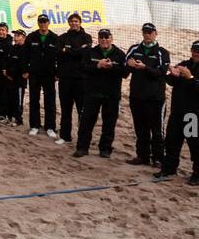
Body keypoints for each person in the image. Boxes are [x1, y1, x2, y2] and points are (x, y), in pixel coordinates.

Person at [158, 40, 199, 185]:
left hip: (194, 116)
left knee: (196, 145)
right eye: (194, 50)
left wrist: (190, 77)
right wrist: (172, 74)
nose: (196, 54)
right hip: (178, 112)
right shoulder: (185, 63)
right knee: (171, 142)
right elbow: (172, 82)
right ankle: (169, 169)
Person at [74, 29, 127, 158]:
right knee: (86, 122)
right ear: (98, 39)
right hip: (92, 93)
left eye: (106, 37)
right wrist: (97, 66)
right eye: (101, 37)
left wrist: (112, 67)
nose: (104, 40)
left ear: (111, 38)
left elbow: (125, 73)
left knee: (109, 123)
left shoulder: (119, 54)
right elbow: (83, 68)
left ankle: (105, 149)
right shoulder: (90, 52)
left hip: (111, 95)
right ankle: (82, 148)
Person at [124, 21, 169, 168]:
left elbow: (161, 73)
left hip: (155, 98)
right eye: (145, 32)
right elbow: (125, 63)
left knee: (157, 130)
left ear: (156, 34)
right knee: (140, 128)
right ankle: (142, 155)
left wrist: (145, 67)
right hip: (137, 96)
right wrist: (128, 64)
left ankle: (158, 158)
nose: (147, 35)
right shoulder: (135, 48)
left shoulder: (162, 52)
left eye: (150, 32)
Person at [55, 13, 93, 146]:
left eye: (76, 21)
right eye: (71, 21)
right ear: (68, 23)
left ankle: (83, 138)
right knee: (65, 109)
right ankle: (65, 136)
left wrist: (69, 51)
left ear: (80, 22)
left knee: (81, 110)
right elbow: (59, 54)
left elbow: (85, 53)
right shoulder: (62, 37)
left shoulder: (87, 37)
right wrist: (77, 51)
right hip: (65, 78)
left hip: (81, 79)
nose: (73, 23)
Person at [23, 15, 59, 137]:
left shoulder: (55, 38)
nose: (43, 24)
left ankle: (50, 127)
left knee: (50, 101)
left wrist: (57, 73)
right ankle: (34, 126)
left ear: (48, 23)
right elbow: (25, 56)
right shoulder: (31, 37)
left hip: (49, 75)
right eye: (40, 22)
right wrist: (25, 70)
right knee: (33, 100)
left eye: (45, 22)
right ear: (38, 23)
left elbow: (59, 58)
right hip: (34, 74)